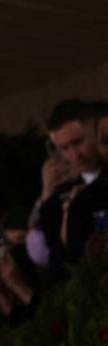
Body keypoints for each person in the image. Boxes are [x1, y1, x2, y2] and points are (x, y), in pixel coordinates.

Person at [39, 100, 105, 272]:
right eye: (65, 148)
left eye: (78, 143)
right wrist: (47, 192)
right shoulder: (64, 192)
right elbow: (57, 256)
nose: (74, 155)